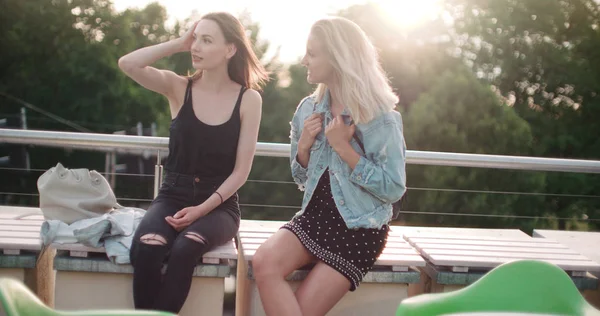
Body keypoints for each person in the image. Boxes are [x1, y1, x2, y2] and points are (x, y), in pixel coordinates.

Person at [252, 16, 406, 316]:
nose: (303, 60)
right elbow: (300, 176)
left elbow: (393, 188)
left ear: (338, 56)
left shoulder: (379, 117)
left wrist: (343, 148)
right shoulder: (308, 109)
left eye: (312, 53)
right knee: (263, 262)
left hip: (359, 229)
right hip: (314, 218)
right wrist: (303, 148)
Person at [118, 12, 268, 313]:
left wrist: (201, 209)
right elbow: (128, 64)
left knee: (187, 248)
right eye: (195, 38)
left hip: (219, 207)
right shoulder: (179, 88)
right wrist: (177, 43)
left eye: (207, 40)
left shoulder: (248, 99)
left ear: (230, 50)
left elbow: (241, 172)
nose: (196, 47)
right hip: (172, 196)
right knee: (149, 246)